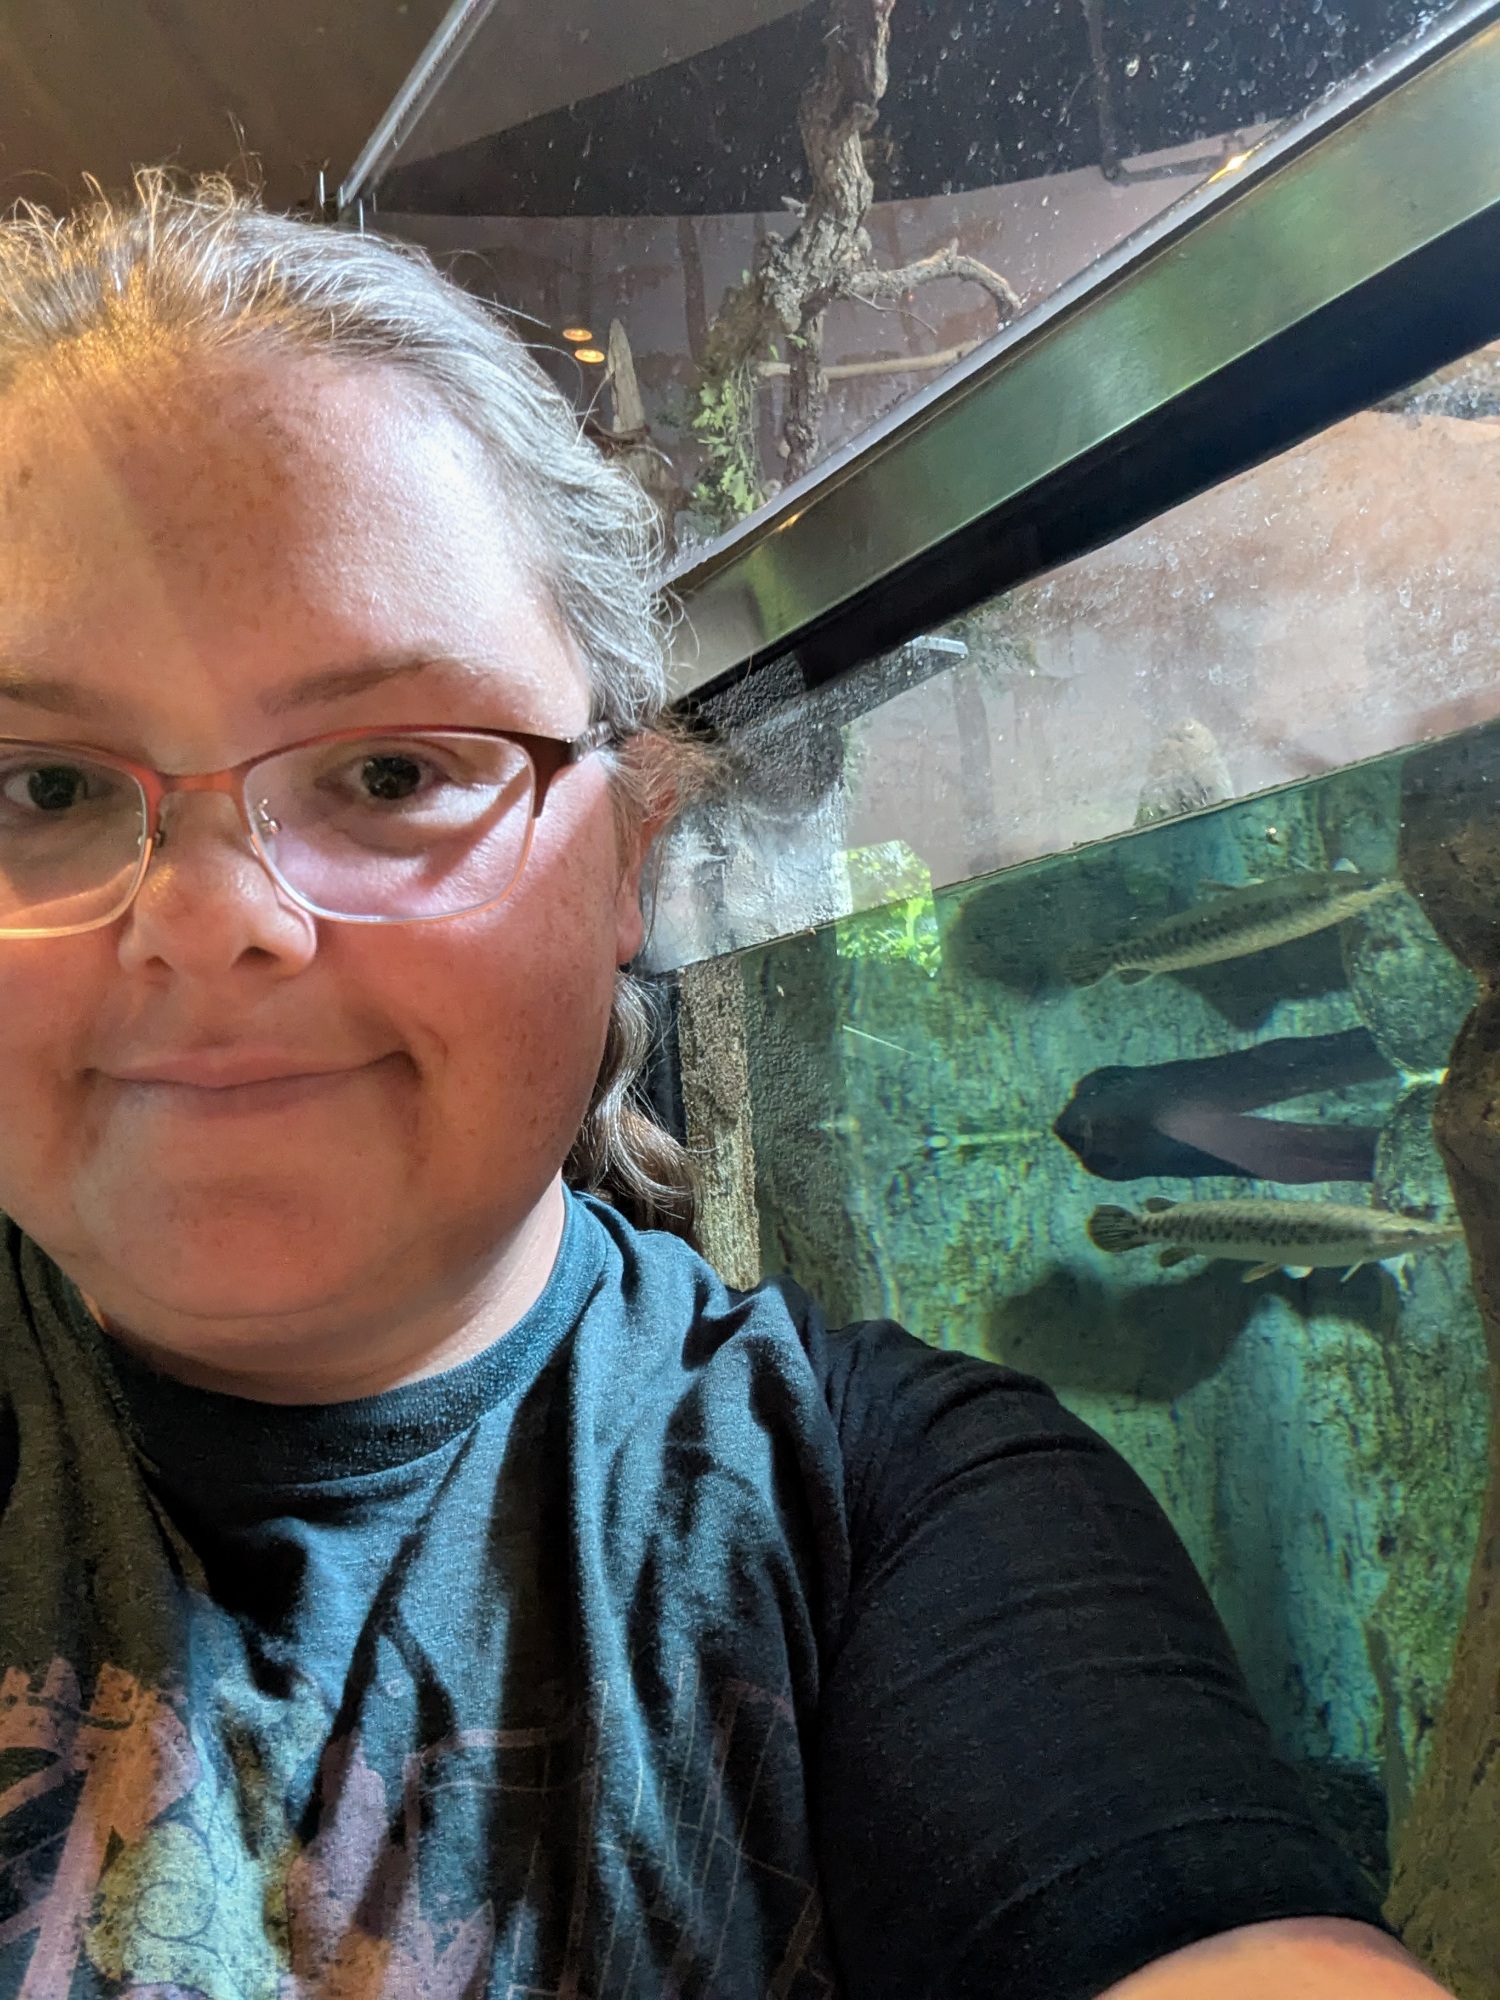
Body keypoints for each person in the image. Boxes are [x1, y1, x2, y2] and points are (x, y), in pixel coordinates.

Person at [0, 173, 1451, 2000]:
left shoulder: (880, 1519)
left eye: (390, 772)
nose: (215, 923)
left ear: (631, 852)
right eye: (43, 787)